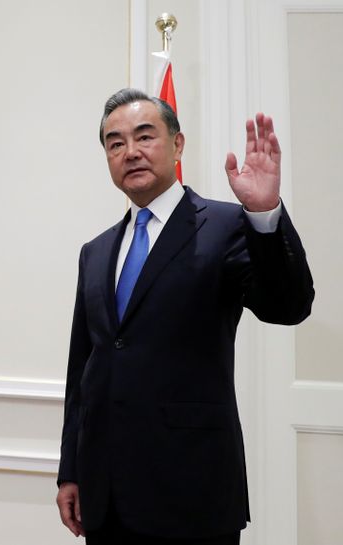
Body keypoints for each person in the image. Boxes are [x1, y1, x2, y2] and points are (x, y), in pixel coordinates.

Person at [56, 88, 314, 544]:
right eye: (115, 143)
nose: (130, 151)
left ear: (177, 145)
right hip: (106, 496)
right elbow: (84, 371)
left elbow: (288, 306)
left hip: (192, 493)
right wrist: (70, 471)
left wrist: (264, 214)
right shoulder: (94, 253)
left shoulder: (227, 225)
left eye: (144, 136)